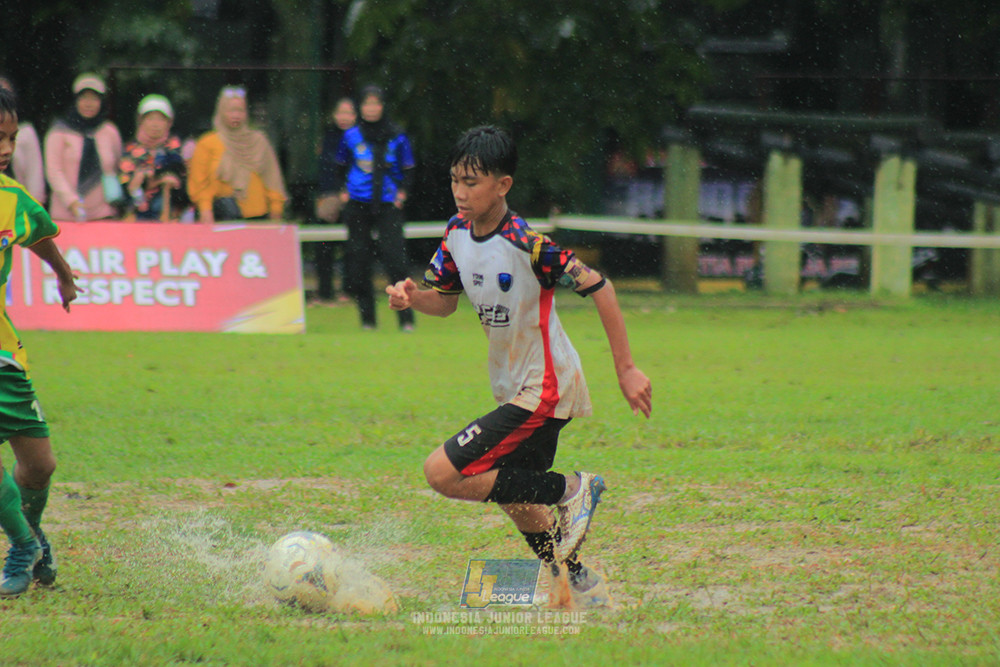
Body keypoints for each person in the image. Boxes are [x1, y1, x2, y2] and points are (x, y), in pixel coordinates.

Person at [385, 126, 652, 607]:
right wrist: (411, 298)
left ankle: (573, 488)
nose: (461, 193)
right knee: (514, 494)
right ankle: (576, 583)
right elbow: (444, 303)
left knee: (442, 473)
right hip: (516, 388)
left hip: (545, 388)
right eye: (455, 181)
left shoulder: (528, 243)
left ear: (502, 185)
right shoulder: (455, 234)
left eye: (473, 183)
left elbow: (601, 288)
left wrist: (627, 369)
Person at [0, 87, 80, 596]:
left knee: (39, 464)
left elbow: (39, 233)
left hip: (3, 354)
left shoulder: (10, 199)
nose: (5, 148)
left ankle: (30, 534)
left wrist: (64, 275)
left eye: (10, 137)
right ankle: (24, 546)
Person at [335, 85, 415, 330]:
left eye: (376, 103)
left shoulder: (397, 135)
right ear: (361, 108)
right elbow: (339, 165)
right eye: (367, 104)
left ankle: (406, 320)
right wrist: (344, 192)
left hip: (389, 203)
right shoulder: (351, 136)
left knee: (396, 261)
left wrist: (402, 194)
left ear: (383, 106)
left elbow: (409, 168)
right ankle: (368, 320)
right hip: (358, 204)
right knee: (359, 262)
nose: (371, 109)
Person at [187, 85, 286, 224]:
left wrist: (276, 210)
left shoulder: (259, 141)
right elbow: (199, 183)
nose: (236, 115)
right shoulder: (207, 143)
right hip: (222, 218)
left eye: (240, 110)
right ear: (221, 112)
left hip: (258, 217)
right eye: (231, 111)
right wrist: (205, 211)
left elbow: (273, 179)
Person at [44, 73, 123, 221]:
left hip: (103, 214)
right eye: (84, 98)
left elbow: (118, 165)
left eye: (94, 99)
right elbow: (54, 172)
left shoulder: (109, 131)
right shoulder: (59, 131)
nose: (89, 103)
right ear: (75, 101)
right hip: (66, 214)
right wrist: (72, 201)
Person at [312, 97, 357, 304]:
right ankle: (324, 292)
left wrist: (347, 191)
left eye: (349, 113)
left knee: (353, 246)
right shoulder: (328, 138)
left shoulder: (361, 139)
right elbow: (325, 171)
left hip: (355, 197)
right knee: (323, 245)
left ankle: (349, 290)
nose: (344, 117)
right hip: (329, 196)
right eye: (341, 112)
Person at [117, 94, 187, 222]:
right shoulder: (129, 152)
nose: (155, 124)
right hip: (136, 221)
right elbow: (123, 193)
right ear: (140, 120)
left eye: (161, 119)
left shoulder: (175, 150)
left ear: (169, 123)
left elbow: (183, 187)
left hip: (171, 220)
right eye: (150, 119)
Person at [0, 77, 45, 204]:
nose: (7, 149)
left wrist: (33, 206)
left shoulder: (26, 131)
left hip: (18, 206)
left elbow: (35, 176)